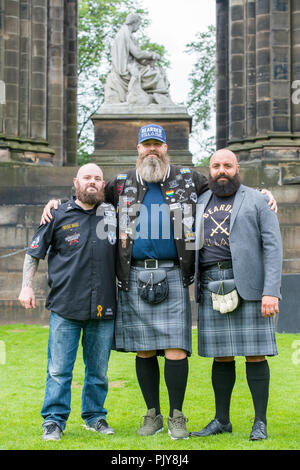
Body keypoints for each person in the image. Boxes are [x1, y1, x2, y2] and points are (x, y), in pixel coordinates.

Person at [40, 125, 277, 440]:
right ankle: (152, 414)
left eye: (157, 144)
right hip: (135, 274)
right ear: (138, 149)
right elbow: (90, 195)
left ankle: (176, 416)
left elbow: (227, 185)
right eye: (146, 145)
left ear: (166, 148)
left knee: (177, 348)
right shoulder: (120, 184)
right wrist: (57, 202)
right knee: (144, 350)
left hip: (173, 273)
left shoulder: (188, 179)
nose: (152, 150)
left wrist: (262, 193)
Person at [18, 163, 117, 441]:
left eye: (98, 178)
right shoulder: (57, 214)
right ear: (76, 182)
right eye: (87, 177)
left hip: (103, 307)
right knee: (59, 371)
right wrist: (26, 287)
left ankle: (95, 417)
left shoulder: (114, 214)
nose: (93, 182)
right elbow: (34, 253)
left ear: (103, 184)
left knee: (98, 372)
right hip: (65, 307)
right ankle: (53, 421)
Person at [190, 149, 282, 441]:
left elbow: (273, 247)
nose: (221, 171)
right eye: (216, 165)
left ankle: (260, 422)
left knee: (255, 355)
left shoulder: (257, 199)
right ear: (209, 170)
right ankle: (221, 420)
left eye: (227, 165)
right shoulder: (200, 201)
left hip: (250, 284)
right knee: (222, 356)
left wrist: (271, 291)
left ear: (237, 168)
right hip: (212, 282)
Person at [104, 13, 174, 106]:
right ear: (135, 23)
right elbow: (137, 54)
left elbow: (136, 57)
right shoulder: (124, 34)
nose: (138, 28)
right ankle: (161, 99)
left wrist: (148, 61)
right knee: (156, 74)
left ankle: (161, 99)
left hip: (131, 65)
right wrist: (152, 55)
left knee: (158, 70)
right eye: (139, 25)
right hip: (126, 68)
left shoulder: (126, 34)